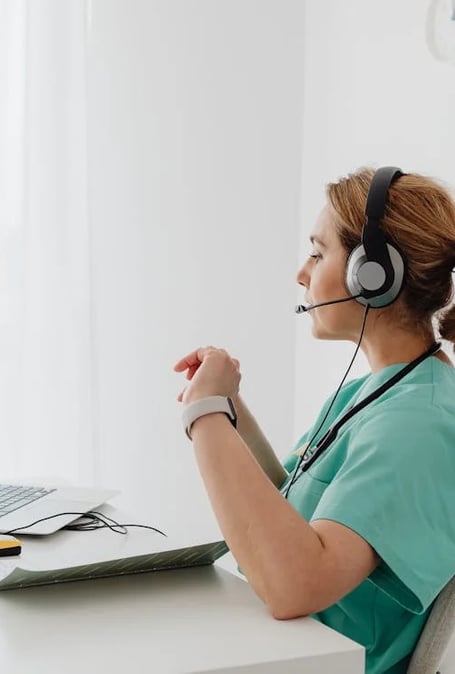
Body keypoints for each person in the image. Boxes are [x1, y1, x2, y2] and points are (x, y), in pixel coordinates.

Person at [174, 166, 455, 674]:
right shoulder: (375, 392)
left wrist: (205, 416)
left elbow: (295, 583)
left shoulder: (416, 424)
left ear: (373, 275)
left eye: (318, 252)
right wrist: (232, 409)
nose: (302, 272)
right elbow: (296, 511)